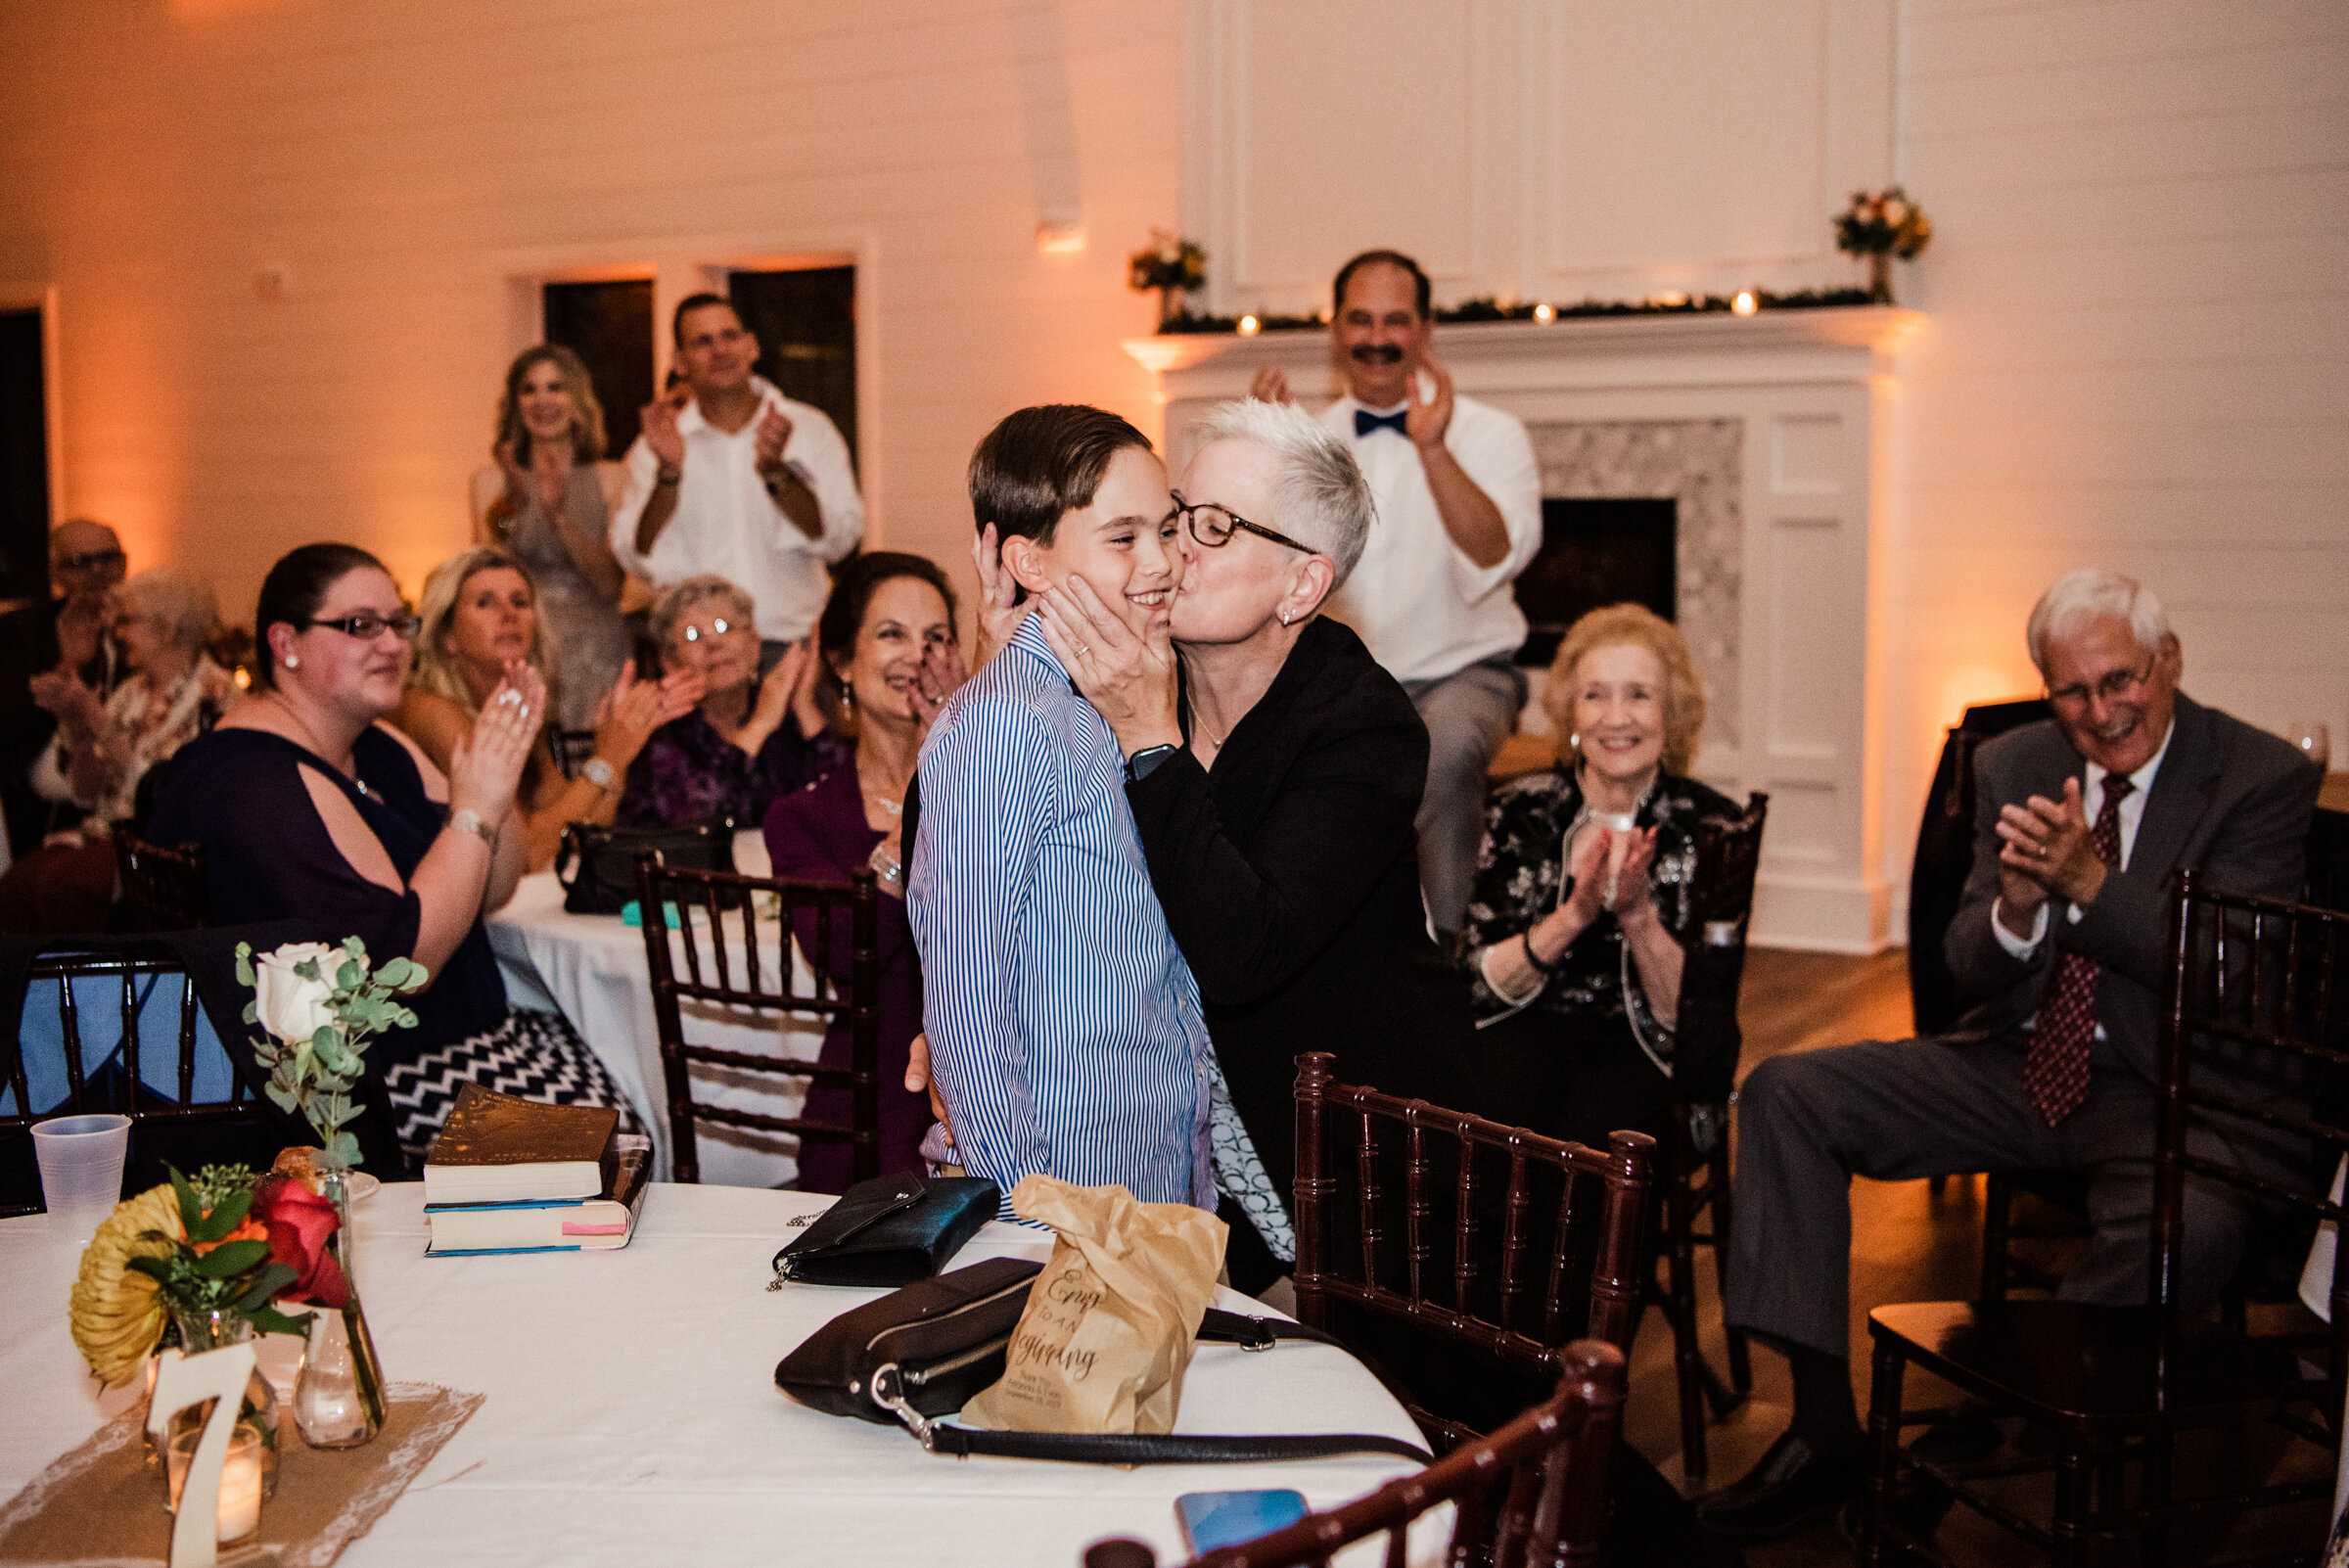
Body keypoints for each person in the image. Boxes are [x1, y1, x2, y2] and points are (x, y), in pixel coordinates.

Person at [1696, 570, 2319, 1541]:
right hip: (2021, 1059)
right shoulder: (2016, 760)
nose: (2103, 713)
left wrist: (2093, 886)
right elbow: (1967, 965)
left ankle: (1978, 1438)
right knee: (1787, 1092)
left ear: (2169, 661)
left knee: (2188, 1234)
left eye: (2122, 682)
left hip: (2172, 1092)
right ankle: (1823, 1435)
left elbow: (2234, 973)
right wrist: (2018, 914)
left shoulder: (2258, 776)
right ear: (2044, 687)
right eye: (2073, 692)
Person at [1024, 395, 1473, 1289]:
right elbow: (969, 808)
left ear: (1302, 585)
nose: (1170, 548)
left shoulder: (1364, 729)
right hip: (1147, 1134)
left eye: (1215, 527)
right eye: (1173, 514)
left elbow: (1241, 950)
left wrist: (1151, 742)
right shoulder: (1131, 667)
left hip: (1347, 1166)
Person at [146, 543, 638, 1166]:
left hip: (476, 1043)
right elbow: (403, 966)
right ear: (285, 644)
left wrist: (498, 773)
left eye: (398, 623)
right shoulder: (256, 783)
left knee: (626, 1098)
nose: (392, 643)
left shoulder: (373, 745)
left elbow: (493, 888)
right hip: (381, 1087)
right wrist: (473, 809)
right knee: (615, 1146)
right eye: (360, 626)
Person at [907, 404, 1214, 1217]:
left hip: (1142, 1160)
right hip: (1062, 1191)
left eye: (1168, 528)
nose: (1163, 562)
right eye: (1123, 538)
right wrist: (1021, 1215)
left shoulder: (1123, 696)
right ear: (1029, 561)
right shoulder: (1011, 721)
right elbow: (968, 1000)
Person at [1251, 250, 1542, 950]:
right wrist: (1265, 462)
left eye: (1395, 320)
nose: (1376, 338)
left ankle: (1443, 959)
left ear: (1426, 330)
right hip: (1344, 682)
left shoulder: (1493, 434)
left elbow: (1496, 554)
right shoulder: (1310, 441)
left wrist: (1434, 449)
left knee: (1436, 752)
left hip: (1464, 674)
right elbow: (1265, 570)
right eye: (1359, 320)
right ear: (1335, 330)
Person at [1459, 604, 1738, 1152]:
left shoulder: (1713, 828)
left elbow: (1700, 1021)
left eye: (1639, 694)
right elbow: (1475, 983)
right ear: (1571, 713)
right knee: (1486, 1127)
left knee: (1594, 1150)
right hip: (1530, 1027)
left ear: (1671, 713)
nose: (1616, 718)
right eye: (1595, 695)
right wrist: (1576, 915)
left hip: (1650, 1050)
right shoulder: (1518, 811)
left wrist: (1636, 916)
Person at [764, 552, 966, 1193]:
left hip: (1008, 1091)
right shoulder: (803, 816)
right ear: (843, 661)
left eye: (935, 636)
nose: (916, 654)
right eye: (891, 634)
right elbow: (842, 955)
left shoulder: (995, 785)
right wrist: (913, 818)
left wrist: (960, 761)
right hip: (870, 1108)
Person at [392, 547, 697, 873]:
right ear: (447, 635)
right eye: (485, 602)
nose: (509, 613)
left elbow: (581, 833)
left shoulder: (517, 711)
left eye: (520, 601)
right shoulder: (430, 710)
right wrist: (606, 758)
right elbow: (525, 853)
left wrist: (620, 754)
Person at [609, 294, 863, 666]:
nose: (720, 350)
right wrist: (668, 475)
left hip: (792, 646)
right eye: (702, 341)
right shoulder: (658, 443)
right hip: (697, 654)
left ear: (752, 346)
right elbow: (634, 553)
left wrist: (779, 474)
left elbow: (840, 540)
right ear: (679, 362)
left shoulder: (808, 429)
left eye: (729, 336)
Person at [0, 569, 238, 934]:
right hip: (103, 836)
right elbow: (85, 794)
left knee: (61, 890)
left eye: (127, 621)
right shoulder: (132, 692)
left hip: (160, 850)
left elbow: (162, 795)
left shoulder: (214, 695)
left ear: (168, 628)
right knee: (17, 886)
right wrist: (79, 729)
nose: (117, 633)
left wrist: (98, 722)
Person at [469, 345, 635, 733]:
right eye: (530, 389)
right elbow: (484, 577)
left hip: (595, 645)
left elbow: (611, 586)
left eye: (555, 387)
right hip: (520, 643)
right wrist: (513, 502)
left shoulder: (612, 478)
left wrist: (559, 517)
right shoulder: (490, 482)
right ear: (516, 403)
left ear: (576, 399)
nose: (542, 400)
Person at [616, 575, 843, 828]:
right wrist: (758, 726)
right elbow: (702, 824)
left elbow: (846, 806)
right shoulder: (660, 737)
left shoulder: (785, 718)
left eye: (725, 627)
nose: (714, 642)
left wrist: (805, 707)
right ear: (668, 662)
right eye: (693, 635)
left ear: (755, 644)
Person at [0, 520, 129, 856]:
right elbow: (9, 720)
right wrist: (68, 668)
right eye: (80, 562)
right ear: (56, 573)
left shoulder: (143, 628)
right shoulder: (20, 630)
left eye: (108, 558)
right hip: (40, 797)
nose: (98, 571)